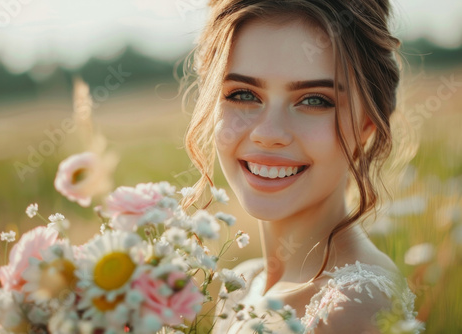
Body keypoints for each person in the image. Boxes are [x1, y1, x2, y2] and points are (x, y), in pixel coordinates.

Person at [181, 0, 423, 333]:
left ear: (367, 123)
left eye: (313, 100)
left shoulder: (352, 308)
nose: (268, 134)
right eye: (242, 94)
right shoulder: (245, 284)